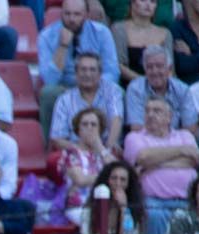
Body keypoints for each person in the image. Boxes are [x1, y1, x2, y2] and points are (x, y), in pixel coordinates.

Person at [38, 0, 119, 138]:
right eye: (67, 14)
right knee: (48, 93)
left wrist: (91, 87)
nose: (71, 19)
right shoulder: (46, 36)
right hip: (64, 86)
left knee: (119, 93)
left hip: (95, 85)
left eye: (77, 14)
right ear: (61, 14)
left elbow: (112, 72)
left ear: (86, 15)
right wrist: (62, 46)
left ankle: (113, 143)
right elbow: (50, 80)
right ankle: (50, 145)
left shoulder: (102, 33)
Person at [124, 98, 199, 234]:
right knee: (153, 215)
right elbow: (143, 158)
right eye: (147, 111)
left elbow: (194, 158)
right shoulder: (134, 137)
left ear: (169, 117)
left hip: (186, 200)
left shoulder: (185, 135)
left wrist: (156, 163)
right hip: (152, 202)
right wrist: (182, 151)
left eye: (157, 111)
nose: (151, 114)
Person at [49, 53, 125, 153]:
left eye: (92, 70)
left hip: (106, 147)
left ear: (100, 73)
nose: (88, 74)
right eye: (83, 69)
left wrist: (105, 150)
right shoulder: (64, 100)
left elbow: (117, 119)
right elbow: (57, 138)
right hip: (76, 152)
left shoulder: (112, 92)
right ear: (76, 73)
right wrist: (84, 151)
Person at [58, 108, 116, 224]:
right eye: (85, 124)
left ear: (100, 130)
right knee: (96, 221)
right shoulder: (72, 153)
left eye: (94, 125)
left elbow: (118, 172)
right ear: (78, 129)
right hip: (79, 206)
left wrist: (100, 148)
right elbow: (80, 180)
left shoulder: (104, 154)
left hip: (105, 204)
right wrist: (107, 176)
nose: (89, 128)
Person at [126, 46, 189, 133]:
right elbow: (137, 129)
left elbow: (190, 128)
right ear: (145, 70)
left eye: (159, 66)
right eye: (150, 67)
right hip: (146, 141)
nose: (155, 71)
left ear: (169, 69)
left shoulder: (182, 89)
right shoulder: (135, 89)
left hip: (176, 140)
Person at [112, 0, 174, 85]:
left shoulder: (165, 33)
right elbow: (119, 65)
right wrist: (144, 83)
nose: (148, 4)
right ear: (133, 3)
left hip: (160, 86)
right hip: (128, 85)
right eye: (143, 0)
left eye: (152, 2)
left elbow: (170, 68)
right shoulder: (119, 29)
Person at [80, 160, 145, 234]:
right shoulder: (91, 207)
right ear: (107, 180)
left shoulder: (135, 210)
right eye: (114, 178)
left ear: (129, 184)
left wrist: (123, 208)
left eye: (123, 179)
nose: (118, 183)